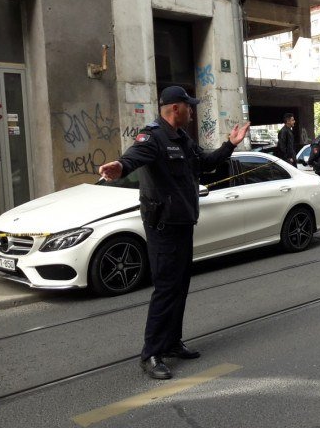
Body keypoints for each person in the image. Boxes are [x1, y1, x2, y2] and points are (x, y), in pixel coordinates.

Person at [98, 86, 250, 380]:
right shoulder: (153, 137)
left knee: (180, 286)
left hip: (183, 224)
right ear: (175, 108)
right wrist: (120, 165)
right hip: (163, 226)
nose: (192, 111)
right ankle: (151, 353)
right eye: (189, 106)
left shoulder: (183, 139)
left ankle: (171, 342)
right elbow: (134, 156)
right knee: (166, 288)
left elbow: (205, 163)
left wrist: (229, 145)